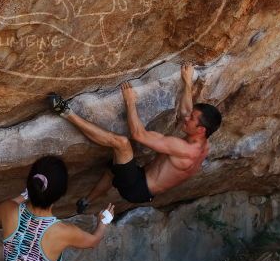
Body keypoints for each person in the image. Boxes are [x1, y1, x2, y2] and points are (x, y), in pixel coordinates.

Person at [48, 63, 221, 214]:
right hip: (144, 187)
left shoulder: (184, 149)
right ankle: (86, 202)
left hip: (136, 188)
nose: (186, 117)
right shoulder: (203, 143)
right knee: (114, 169)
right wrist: (187, 82)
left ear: (201, 129)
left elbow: (139, 135)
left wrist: (130, 102)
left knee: (121, 144)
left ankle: (66, 112)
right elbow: (186, 112)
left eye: (191, 119)